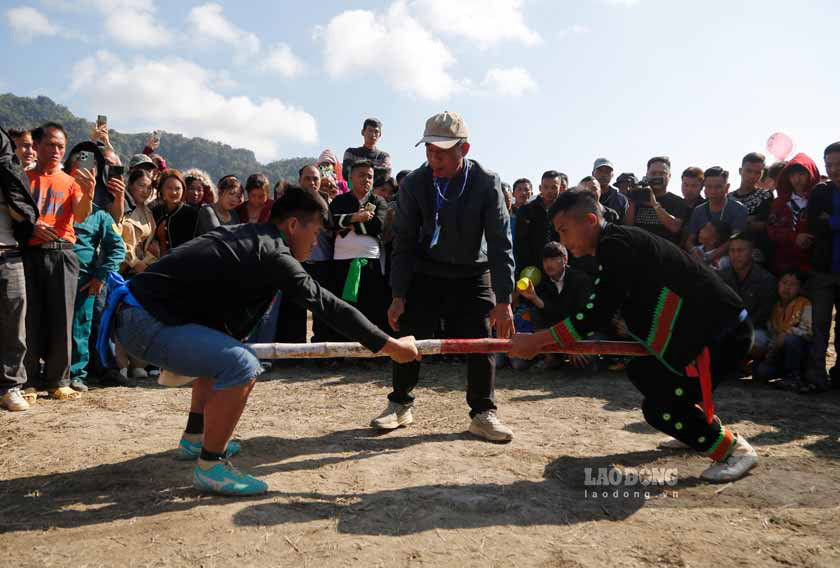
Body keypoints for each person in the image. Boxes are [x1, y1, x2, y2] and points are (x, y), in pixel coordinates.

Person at [102, 186, 418, 496]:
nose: (316, 242)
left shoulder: (252, 237)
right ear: (293, 225)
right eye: (316, 232)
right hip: (142, 320)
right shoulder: (272, 253)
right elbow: (326, 305)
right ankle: (211, 467)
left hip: (137, 314)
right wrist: (391, 346)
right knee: (242, 364)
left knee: (223, 346)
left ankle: (195, 438)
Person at [510, 192, 758, 482]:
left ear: (590, 220)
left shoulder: (617, 245)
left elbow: (595, 313)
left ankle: (732, 450)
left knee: (659, 409)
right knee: (643, 370)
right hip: (707, 335)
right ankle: (696, 428)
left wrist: (537, 341)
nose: (562, 240)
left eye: (564, 230)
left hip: (720, 337)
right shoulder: (613, 246)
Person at [375, 111, 515, 442]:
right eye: (428, 150)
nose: (433, 158)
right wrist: (398, 295)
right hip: (427, 270)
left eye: (441, 151)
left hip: (473, 272)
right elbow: (404, 243)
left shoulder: (486, 182)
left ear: (463, 150)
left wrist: (504, 299)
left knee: (482, 340)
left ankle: (483, 413)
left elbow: (499, 242)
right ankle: (400, 403)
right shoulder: (414, 184)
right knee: (410, 336)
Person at [22, 122, 95, 401]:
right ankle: (27, 381)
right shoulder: (23, 178)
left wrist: (88, 193)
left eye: (61, 146)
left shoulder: (71, 181)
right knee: (29, 318)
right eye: (51, 144)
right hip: (29, 252)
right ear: (37, 145)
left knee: (62, 318)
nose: (56, 150)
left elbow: (80, 215)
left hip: (63, 252)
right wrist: (33, 225)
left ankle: (58, 380)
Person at [69, 180, 126, 392]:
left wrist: (100, 277)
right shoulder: (55, 208)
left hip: (84, 283)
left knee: (80, 328)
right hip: (52, 277)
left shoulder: (100, 215)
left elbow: (117, 249)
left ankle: (76, 374)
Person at [0, 126, 39, 411]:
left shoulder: (9, 175)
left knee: (15, 326)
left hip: (9, 254)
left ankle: (11, 387)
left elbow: (23, 211)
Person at [329, 160, 389, 335]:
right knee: (343, 308)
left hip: (370, 262)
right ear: (350, 177)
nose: (366, 180)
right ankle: (342, 351)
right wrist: (355, 218)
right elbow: (330, 223)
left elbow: (377, 227)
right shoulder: (340, 200)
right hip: (341, 263)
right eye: (361, 175)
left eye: (369, 176)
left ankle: (367, 354)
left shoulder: (378, 202)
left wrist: (346, 223)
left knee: (371, 308)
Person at [516, 241, 594, 371]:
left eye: (553, 259)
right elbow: (548, 314)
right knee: (519, 363)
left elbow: (581, 315)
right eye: (545, 260)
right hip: (554, 331)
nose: (548, 264)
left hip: (579, 330)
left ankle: (561, 355)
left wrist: (574, 344)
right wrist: (534, 297)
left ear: (564, 259)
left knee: (585, 365)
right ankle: (551, 358)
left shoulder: (580, 280)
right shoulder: (542, 282)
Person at [804, 141, 840, 390]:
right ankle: (816, 377)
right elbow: (814, 227)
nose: (834, 169)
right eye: (829, 164)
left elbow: (825, 224)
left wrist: (832, 221)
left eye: (838, 164)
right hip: (823, 270)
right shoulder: (819, 192)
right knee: (819, 327)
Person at [719, 235, 777, 360]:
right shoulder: (722, 276)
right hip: (727, 327)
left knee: (756, 341)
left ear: (751, 252)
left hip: (755, 328)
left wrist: (740, 327)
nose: (735, 255)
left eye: (740, 250)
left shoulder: (766, 279)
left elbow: (764, 312)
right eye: (732, 251)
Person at [754, 271, 813, 392]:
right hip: (778, 353)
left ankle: (793, 377)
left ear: (800, 288)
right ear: (778, 284)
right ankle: (781, 374)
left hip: (797, 352)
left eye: (793, 285)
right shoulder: (773, 305)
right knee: (761, 372)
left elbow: (807, 331)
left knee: (792, 341)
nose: (787, 288)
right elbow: (770, 331)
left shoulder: (804, 303)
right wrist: (771, 349)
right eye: (784, 283)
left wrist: (786, 335)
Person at [767, 153, 819, 275]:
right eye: (793, 175)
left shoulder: (819, 200)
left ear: (810, 175)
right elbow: (772, 230)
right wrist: (794, 237)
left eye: (801, 174)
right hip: (784, 265)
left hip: (814, 264)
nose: (797, 179)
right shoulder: (779, 203)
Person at [684, 167, 747, 262]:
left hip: (729, 260)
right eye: (709, 187)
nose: (713, 191)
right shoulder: (698, 210)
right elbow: (689, 240)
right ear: (704, 188)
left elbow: (735, 240)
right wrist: (693, 251)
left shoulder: (739, 209)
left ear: (727, 187)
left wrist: (710, 257)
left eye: (718, 187)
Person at [514, 170, 566, 276]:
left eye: (553, 187)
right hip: (533, 268)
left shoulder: (566, 210)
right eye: (546, 187)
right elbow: (520, 243)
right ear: (540, 188)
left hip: (561, 267)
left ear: (560, 189)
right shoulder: (526, 210)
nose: (549, 191)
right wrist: (525, 266)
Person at [626, 156, 687, 245]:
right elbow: (627, 226)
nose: (657, 177)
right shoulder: (637, 197)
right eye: (653, 173)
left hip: (664, 252)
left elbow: (675, 227)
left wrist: (654, 204)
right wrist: (632, 200)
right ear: (647, 175)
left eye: (662, 173)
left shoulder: (678, 202)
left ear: (669, 176)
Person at [731, 153, 774, 264]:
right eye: (748, 171)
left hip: (756, 252)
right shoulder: (728, 198)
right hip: (729, 252)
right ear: (740, 171)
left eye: (757, 172)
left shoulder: (766, 195)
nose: (752, 176)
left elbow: (763, 223)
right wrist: (750, 219)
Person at [150, 169, 198, 254]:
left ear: (183, 190)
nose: (174, 192)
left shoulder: (192, 214)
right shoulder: (155, 211)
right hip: (156, 263)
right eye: (169, 188)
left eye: (178, 188)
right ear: (161, 189)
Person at [342, 118, 392, 186]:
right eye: (370, 130)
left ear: (380, 135)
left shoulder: (384, 156)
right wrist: (376, 171)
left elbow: (385, 175)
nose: (373, 134)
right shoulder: (351, 153)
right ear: (363, 132)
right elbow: (346, 173)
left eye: (376, 132)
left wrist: (358, 172)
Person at [592, 158, 629, 222]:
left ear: (612, 175)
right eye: (600, 171)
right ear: (593, 173)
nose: (603, 175)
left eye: (607, 172)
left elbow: (625, 225)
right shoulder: (584, 197)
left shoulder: (621, 200)